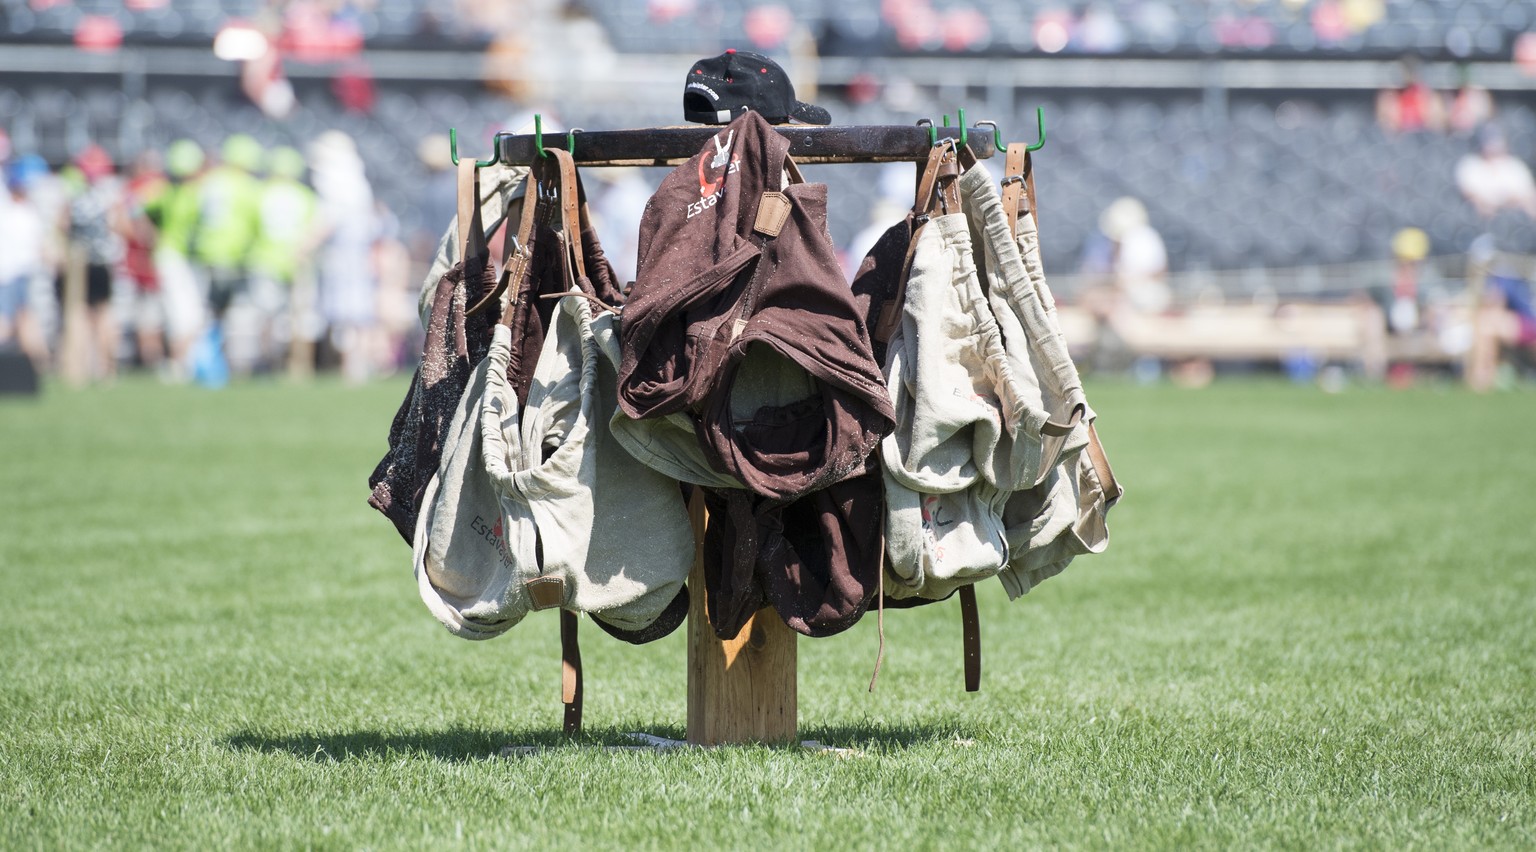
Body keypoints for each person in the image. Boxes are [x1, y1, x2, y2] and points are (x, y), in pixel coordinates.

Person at [308, 130, 380, 383]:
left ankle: (352, 366)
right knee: (354, 313)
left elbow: (331, 217)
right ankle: (353, 365)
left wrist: (307, 243)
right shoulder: (357, 181)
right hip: (353, 255)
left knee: (349, 313)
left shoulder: (336, 181)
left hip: (345, 256)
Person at [248, 145, 319, 374]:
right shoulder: (305, 196)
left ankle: (267, 363)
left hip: (266, 260)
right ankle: (300, 366)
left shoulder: (259, 193)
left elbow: (252, 228)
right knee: (301, 318)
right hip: (298, 261)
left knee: (266, 316)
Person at [142, 139, 208, 380]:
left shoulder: (164, 191)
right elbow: (134, 211)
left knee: (187, 316)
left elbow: (134, 209)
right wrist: (151, 236)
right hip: (175, 259)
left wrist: (151, 235)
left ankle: (182, 364)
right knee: (186, 316)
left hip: (179, 258)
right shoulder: (189, 194)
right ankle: (178, 365)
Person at [61, 145, 125, 381]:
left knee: (79, 316)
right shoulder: (111, 197)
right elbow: (121, 228)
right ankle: (107, 370)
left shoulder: (74, 195)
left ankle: (76, 370)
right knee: (104, 315)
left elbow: (63, 226)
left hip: (78, 262)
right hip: (102, 262)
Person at [117, 150, 168, 371]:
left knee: (148, 317)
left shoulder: (135, 188)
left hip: (140, 260)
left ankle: (149, 360)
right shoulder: (150, 187)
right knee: (149, 317)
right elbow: (136, 223)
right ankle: (151, 361)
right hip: (145, 261)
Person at [0, 157, 51, 370]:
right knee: (7, 321)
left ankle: (41, 364)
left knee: (25, 318)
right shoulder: (10, 210)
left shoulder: (25, 210)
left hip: (21, 273)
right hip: (9, 273)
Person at [1454, 126, 1536, 221]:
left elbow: (1529, 194)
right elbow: (1470, 195)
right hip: (1484, 218)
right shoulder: (1471, 164)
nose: (1493, 147)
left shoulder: (1515, 165)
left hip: (1516, 215)